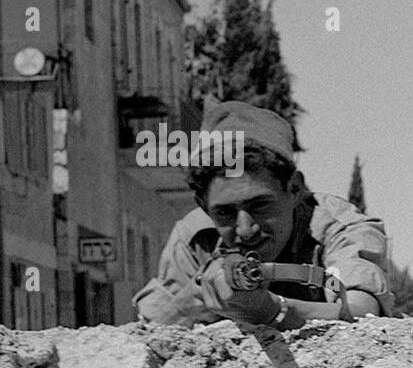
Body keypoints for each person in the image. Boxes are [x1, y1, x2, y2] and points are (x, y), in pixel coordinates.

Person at [135, 100, 394, 329]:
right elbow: (152, 329)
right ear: (204, 206)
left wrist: (273, 310)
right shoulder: (195, 240)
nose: (245, 229)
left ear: (294, 189)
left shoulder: (338, 227)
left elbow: (362, 314)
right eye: (225, 212)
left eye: (259, 206)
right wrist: (196, 300)